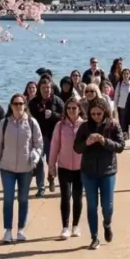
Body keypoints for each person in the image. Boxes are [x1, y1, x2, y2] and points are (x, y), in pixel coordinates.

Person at [73, 97, 125, 250]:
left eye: (99, 114)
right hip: (88, 172)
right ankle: (94, 237)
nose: (96, 116)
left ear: (105, 112)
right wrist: (87, 143)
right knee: (92, 205)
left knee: (107, 206)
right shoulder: (84, 127)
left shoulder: (113, 125)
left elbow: (120, 146)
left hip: (107, 171)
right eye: (93, 114)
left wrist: (104, 141)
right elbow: (76, 148)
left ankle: (107, 223)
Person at [0, 93, 42, 243]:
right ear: (11, 106)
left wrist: (35, 155)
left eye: (21, 104)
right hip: (6, 167)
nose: (18, 106)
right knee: (8, 199)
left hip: (26, 168)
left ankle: (21, 229)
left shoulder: (32, 123)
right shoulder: (4, 123)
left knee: (23, 199)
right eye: (15, 103)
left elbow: (38, 144)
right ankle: (8, 231)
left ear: (25, 105)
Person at [50, 97, 85, 240]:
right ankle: (65, 227)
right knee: (65, 196)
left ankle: (75, 226)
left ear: (79, 109)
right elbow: (54, 146)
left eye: (74, 108)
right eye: (69, 108)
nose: (71, 111)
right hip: (64, 166)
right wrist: (51, 165)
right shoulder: (60, 126)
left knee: (77, 197)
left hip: (80, 167)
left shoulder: (84, 125)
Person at [29, 78, 64, 198]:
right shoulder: (34, 102)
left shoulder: (57, 101)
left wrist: (54, 115)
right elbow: (28, 118)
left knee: (51, 161)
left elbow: (65, 116)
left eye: (48, 87)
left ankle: (51, 177)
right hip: (37, 137)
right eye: (43, 88)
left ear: (51, 88)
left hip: (53, 135)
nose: (46, 90)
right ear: (39, 89)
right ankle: (41, 188)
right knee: (38, 162)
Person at [114, 69, 130, 140]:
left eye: (127, 73)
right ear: (122, 75)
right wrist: (115, 108)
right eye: (124, 74)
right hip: (122, 107)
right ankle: (125, 140)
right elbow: (116, 97)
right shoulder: (119, 84)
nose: (126, 75)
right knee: (123, 125)